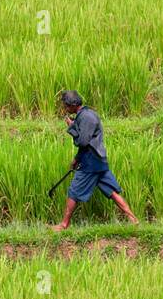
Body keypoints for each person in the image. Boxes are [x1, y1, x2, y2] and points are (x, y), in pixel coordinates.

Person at [50, 90, 139, 231]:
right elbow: (88, 143)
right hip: (98, 160)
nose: (65, 109)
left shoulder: (86, 118)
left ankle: (64, 224)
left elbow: (83, 142)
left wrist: (71, 127)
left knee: (73, 191)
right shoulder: (85, 115)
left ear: (73, 105)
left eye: (66, 107)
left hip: (91, 162)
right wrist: (76, 158)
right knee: (111, 191)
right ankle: (132, 219)